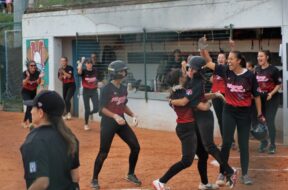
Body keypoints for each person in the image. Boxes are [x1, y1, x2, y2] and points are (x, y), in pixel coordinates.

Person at [202, 45, 265, 185]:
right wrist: (202, 48)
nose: (228, 61)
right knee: (226, 143)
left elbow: (256, 96)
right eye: (228, 59)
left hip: (244, 114)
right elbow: (208, 61)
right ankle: (222, 173)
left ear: (238, 61)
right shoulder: (226, 71)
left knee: (243, 144)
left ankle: (245, 174)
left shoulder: (249, 76)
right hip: (229, 111)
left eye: (231, 59)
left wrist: (260, 114)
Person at [171, 56, 237, 189]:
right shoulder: (193, 80)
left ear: (199, 70)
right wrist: (214, 95)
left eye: (193, 68)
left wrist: (171, 101)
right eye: (189, 68)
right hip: (197, 118)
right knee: (202, 153)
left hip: (204, 117)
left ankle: (230, 171)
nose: (190, 70)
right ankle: (204, 183)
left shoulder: (196, 82)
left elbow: (192, 103)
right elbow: (200, 97)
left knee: (209, 146)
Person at [152, 69, 212, 190]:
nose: (187, 75)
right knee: (186, 161)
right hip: (186, 129)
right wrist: (210, 102)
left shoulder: (180, 91)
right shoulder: (180, 92)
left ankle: (204, 184)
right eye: (184, 74)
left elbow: (196, 95)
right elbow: (201, 105)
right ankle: (160, 181)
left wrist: (214, 94)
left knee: (203, 155)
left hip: (192, 127)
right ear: (180, 78)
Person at [91, 60, 141, 189]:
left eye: (124, 70)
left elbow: (122, 104)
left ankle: (130, 174)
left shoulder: (123, 88)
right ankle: (94, 179)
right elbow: (101, 108)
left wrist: (133, 115)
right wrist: (114, 116)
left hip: (121, 122)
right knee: (104, 152)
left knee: (135, 147)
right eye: (122, 71)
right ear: (115, 73)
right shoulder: (105, 89)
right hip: (108, 123)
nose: (125, 72)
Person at [20, 90, 80, 190]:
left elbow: (42, 182)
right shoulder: (70, 137)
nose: (30, 111)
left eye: (33, 108)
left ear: (40, 113)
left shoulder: (33, 141)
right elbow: (75, 177)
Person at [255, 50, 281, 154]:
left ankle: (273, 145)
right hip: (260, 100)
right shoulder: (256, 69)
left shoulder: (274, 70)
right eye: (258, 56)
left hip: (272, 98)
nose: (259, 58)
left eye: (261, 56)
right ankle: (264, 142)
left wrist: (271, 93)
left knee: (269, 121)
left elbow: (278, 84)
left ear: (267, 57)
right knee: (261, 120)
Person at [210, 51, 237, 150]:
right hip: (216, 96)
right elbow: (212, 80)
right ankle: (226, 140)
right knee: (220, 119)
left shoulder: (227, 70)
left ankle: (231, 141)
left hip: (225, 95)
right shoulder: (215, 70)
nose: (220, 59)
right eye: (218, 58)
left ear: (226, 60)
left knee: (226, 119)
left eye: (222, 58)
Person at [77, 58, 99, 130]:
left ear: (92, 64)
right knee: (87, 108)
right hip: (86, 91)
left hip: (94, 91)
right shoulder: (83, 71)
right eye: (87, 63)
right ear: (86, 64)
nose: (89, 64)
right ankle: (86, 124)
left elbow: (98, 79)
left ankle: (91, 113)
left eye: (90, 63)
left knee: (96, 108)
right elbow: (79, 72)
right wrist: (81, 62)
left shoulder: (95, 70)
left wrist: (98, 83)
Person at [21, 60, 43, 128]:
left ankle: (24, 122)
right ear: (28, 67)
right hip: (25, 91)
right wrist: (28, 77)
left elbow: (38, 83)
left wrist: (39, 77)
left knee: (30, 106)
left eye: (34, 65)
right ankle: (30, 123)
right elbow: (24, 83)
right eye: (31, 65)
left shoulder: (37, 73)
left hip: (33, 91)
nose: (33, 67)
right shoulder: (25, 73)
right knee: (29, 105)